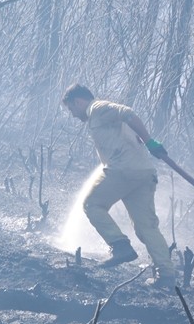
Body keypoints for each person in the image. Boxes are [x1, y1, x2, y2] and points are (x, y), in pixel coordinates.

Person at [61, 83, 175, 287]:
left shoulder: (97, 108)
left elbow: (128, 113)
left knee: (92, 205)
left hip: (124, 170)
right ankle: (166, 274)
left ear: (78, 101)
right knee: (146, 226)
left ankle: (120, 245)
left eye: (71, 109)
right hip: (143, 172)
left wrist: (149, 141)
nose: (73, 115)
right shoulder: (101, 116)